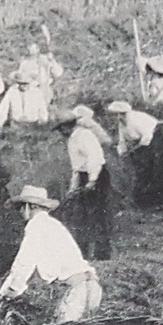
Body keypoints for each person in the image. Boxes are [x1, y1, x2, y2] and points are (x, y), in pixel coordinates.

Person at [0, 185, 103, 324]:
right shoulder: (53, 225)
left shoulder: (36, 225)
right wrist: (2, 296)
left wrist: (5, 294)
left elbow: (23, 264)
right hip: (92, 287)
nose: (20, 211)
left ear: (31, 206)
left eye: (21, 207)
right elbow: (30, 269)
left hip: (77, 291)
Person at [57, 109, 112, 261]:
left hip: (96, 174)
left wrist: (92, 180)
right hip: (83, 176)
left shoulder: (84, 136)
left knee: (97, 214)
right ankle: (83, 252)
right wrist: (73, 187)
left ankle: (102, 254)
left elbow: (95, 158)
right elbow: (76, 167)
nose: (60, 133)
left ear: (66, 126)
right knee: (81, 216)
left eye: (61, 129)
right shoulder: (72, 139)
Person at [108, 100, 163, 207]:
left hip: (155, 138)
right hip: (142, 143)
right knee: (139, 169)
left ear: (125, 113)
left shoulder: (135, 119)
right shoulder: (122, 124)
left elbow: (147, 135)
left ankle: (154, 200)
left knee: (152, 168)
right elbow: (122, 141)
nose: (119, 117)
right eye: (116, 115)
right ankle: (143, 200)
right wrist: (122, 153)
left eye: (121, 114)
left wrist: (137, 149)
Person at [16, 39, 65, 111]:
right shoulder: (24, 62)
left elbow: (58, 73)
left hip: (44, 93)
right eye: (29, 47)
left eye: (32, 48)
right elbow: (19, 77)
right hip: (28, 95)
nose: (30, 50)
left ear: (38, 49)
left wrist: (52, 61)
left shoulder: (45, 59)